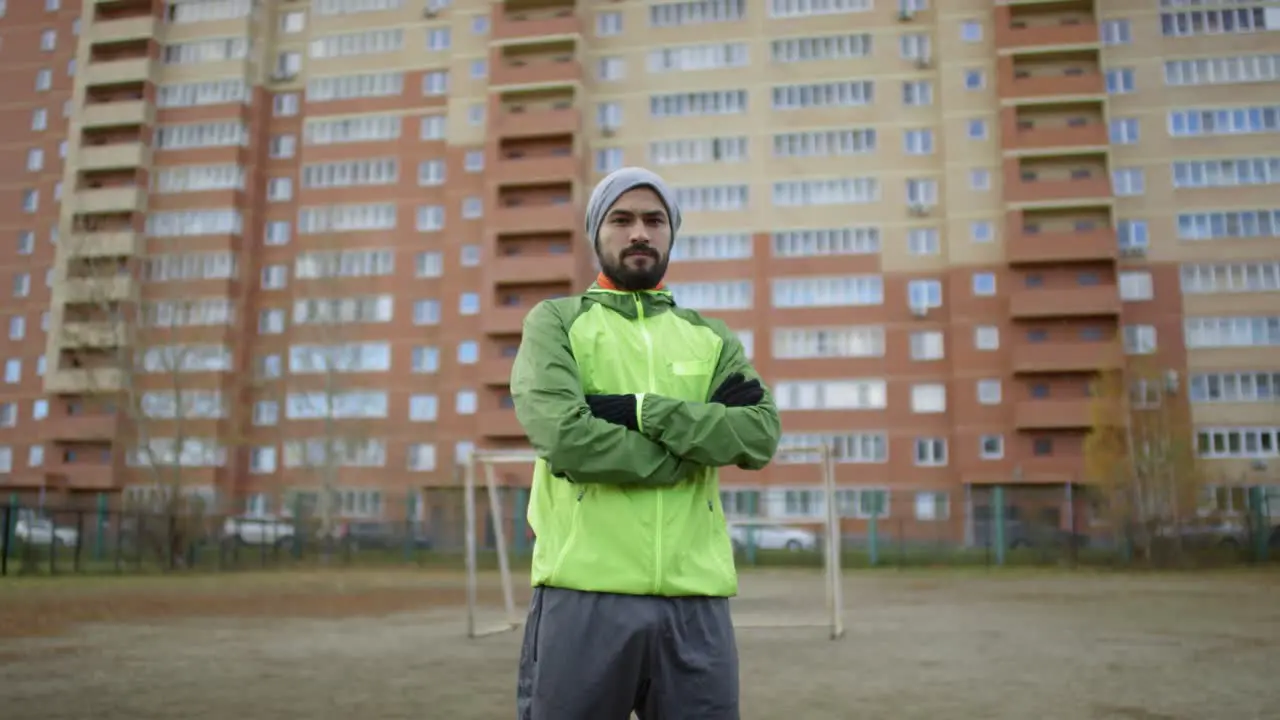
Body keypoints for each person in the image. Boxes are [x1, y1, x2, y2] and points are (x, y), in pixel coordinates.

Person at [510, 167, 782, 720]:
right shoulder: (557, 323)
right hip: (584, 593)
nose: (640, 232)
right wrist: (685, 455)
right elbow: (566, 437)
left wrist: (642, 409)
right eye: (622, 219)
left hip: (695, 603)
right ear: (597, 232)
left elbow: (758, 433)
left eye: (654, 220)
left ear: (670, 233)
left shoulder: (711, 339)